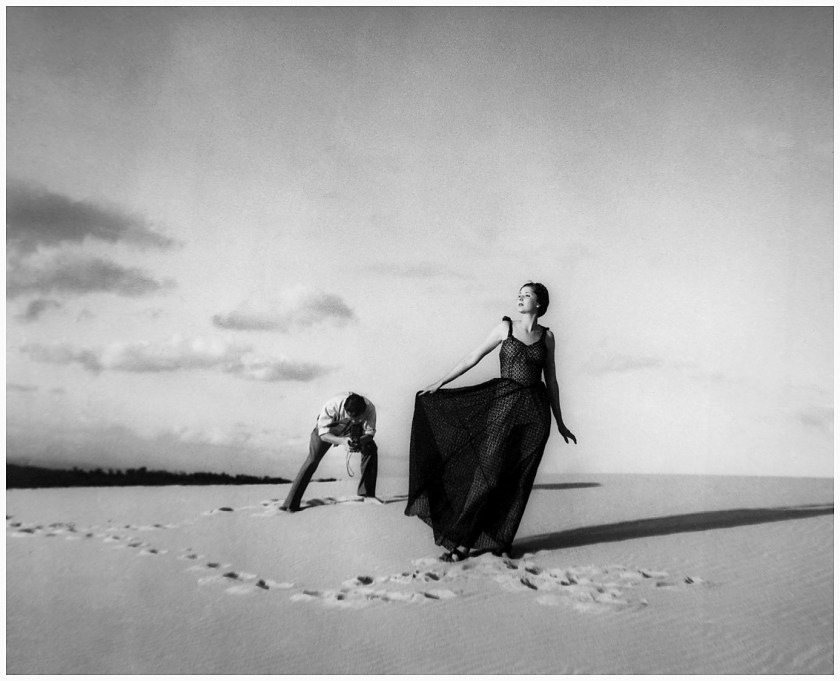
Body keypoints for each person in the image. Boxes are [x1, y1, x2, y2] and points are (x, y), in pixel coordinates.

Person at [405, 282, 576, 561]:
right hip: (503, 407)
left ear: (540, 303)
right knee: (487, 476)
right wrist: (439, 383)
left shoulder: (548, 337)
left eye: (527, 295)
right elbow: (473, 357)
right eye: (519, 295)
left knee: (518, 481)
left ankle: (502, 539)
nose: (520, 299)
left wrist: (560, 422)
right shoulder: (505, 328)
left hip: (535, 414)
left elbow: (552, 380)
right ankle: (462, 542)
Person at [281, 392, 380, 512]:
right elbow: (323, 435)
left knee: (370, 448)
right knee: (312, 459)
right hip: (327, 430)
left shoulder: (370, 408)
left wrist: (359, 441)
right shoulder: (331, 406)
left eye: (359, 418)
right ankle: (290, 503)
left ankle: (367, 494)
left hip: (353, 431)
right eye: (352, 417)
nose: (356, 420)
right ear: (345, 410)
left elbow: (370, 433)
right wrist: (342, 441)